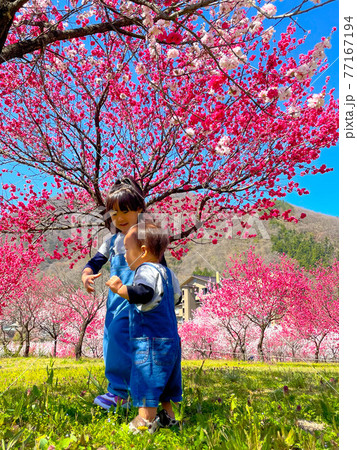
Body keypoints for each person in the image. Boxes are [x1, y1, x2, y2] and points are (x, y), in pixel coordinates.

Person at [106, 222, 182, 434]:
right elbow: (177, 298)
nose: (125, 256)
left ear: (143, 251)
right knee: (167, 383)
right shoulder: (168, 273)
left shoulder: (145, 270)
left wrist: (121, 289)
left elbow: (144, 293)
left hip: (149, 341)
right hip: (171, 341)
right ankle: (169, 419)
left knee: (147, 379)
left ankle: (145, 421)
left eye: (128, 250)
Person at [81, 177, 146, 410]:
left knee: (137, 344)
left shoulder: (147, 236)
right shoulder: (111, 241)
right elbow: (95, 262)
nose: (119, 218)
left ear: (139, 208)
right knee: (112, 342)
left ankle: (131, 393)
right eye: (114, 213)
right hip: (115, 302)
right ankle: (121, 392)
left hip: (139, 299)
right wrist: (86, 274)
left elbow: (161, 267)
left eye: (125, 211)